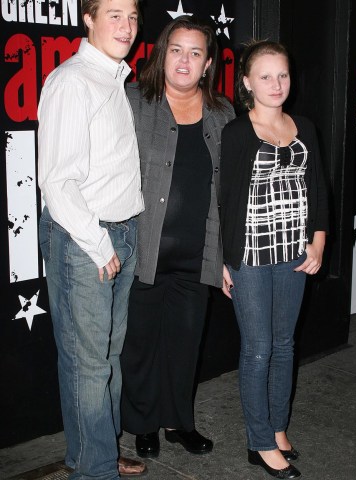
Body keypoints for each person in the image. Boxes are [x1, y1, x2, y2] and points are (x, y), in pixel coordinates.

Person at [37, 0, 147, 477]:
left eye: (133, 16)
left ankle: (100, 450)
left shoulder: (114, 78)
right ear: (89, 18)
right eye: (115, 15)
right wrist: (100, 246)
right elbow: (58, 183)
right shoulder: (71, 82)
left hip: (121, 231)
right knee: (87, 364)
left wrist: (127, 234)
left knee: (107, 358)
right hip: (86, 240)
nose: (126, 26)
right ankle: (93, 468)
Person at [120, 15, 235, 458]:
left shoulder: (223, 113)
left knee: (185, 344)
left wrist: (227, 255)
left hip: (198, 252)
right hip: (144, 249)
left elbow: (230, 188)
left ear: (208, 63)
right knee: (141, 345)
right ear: (162, 53)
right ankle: (143, 424)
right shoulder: (134, 101)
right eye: (176, 50)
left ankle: (178, 422)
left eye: (195, 52)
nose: (184, 61)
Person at [220, 40, 329, 479]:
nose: (276, 84)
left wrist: (318, 242)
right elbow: (224, 201)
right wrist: (222, 262)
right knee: (259, 348)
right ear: (247, 82)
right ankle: (260, 441)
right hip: (249, 257)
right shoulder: (236, 132)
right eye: (265, 76)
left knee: (285, 345)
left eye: (282, 75)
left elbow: (319, 190)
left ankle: (278, 427)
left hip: (293, 255)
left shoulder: (304, 125)